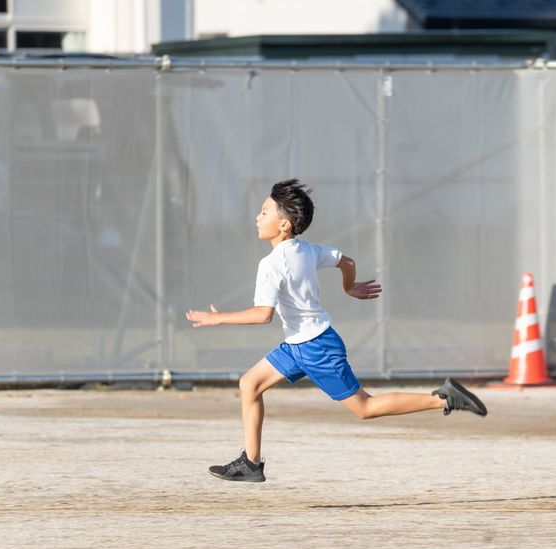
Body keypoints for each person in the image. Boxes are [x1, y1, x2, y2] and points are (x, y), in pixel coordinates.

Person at [186, 179, 487, 483]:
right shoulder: (305, 249)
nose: (257, 218)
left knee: (365, 408)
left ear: (284, 225)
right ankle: (250, 464)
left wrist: (219, 318)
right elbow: (348, 261)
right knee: (250, 384)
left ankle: (445, 398)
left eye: (264, 213)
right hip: (299, 344)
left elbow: (263, 314)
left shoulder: (271, 264)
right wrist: (349, 286)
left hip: (316, 347)